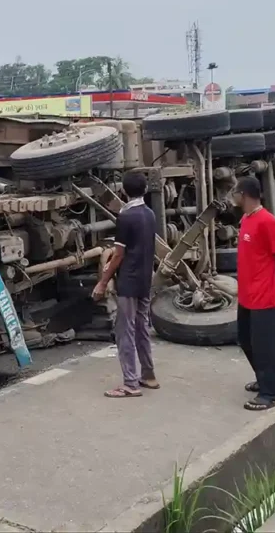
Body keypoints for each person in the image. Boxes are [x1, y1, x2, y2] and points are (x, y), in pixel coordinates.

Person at [93, 171, 159, 398]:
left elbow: (119, 254)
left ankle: (130, 383)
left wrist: (103, 281)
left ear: (123, 191)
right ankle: (148, 375)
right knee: (142, 327)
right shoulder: (150, 214)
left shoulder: (125, 217)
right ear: (146, 190)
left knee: (125, 331)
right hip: (144, 279)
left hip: (129, 282)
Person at [233, 176, 275, 411]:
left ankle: (269, 394)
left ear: (243, 195)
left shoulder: (267, 221)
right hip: (247, 294)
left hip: (266, 295)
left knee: (264, 345)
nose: (233, 196)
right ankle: (271, 377)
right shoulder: (246, 219)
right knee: (245, 339)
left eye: (235, 192)